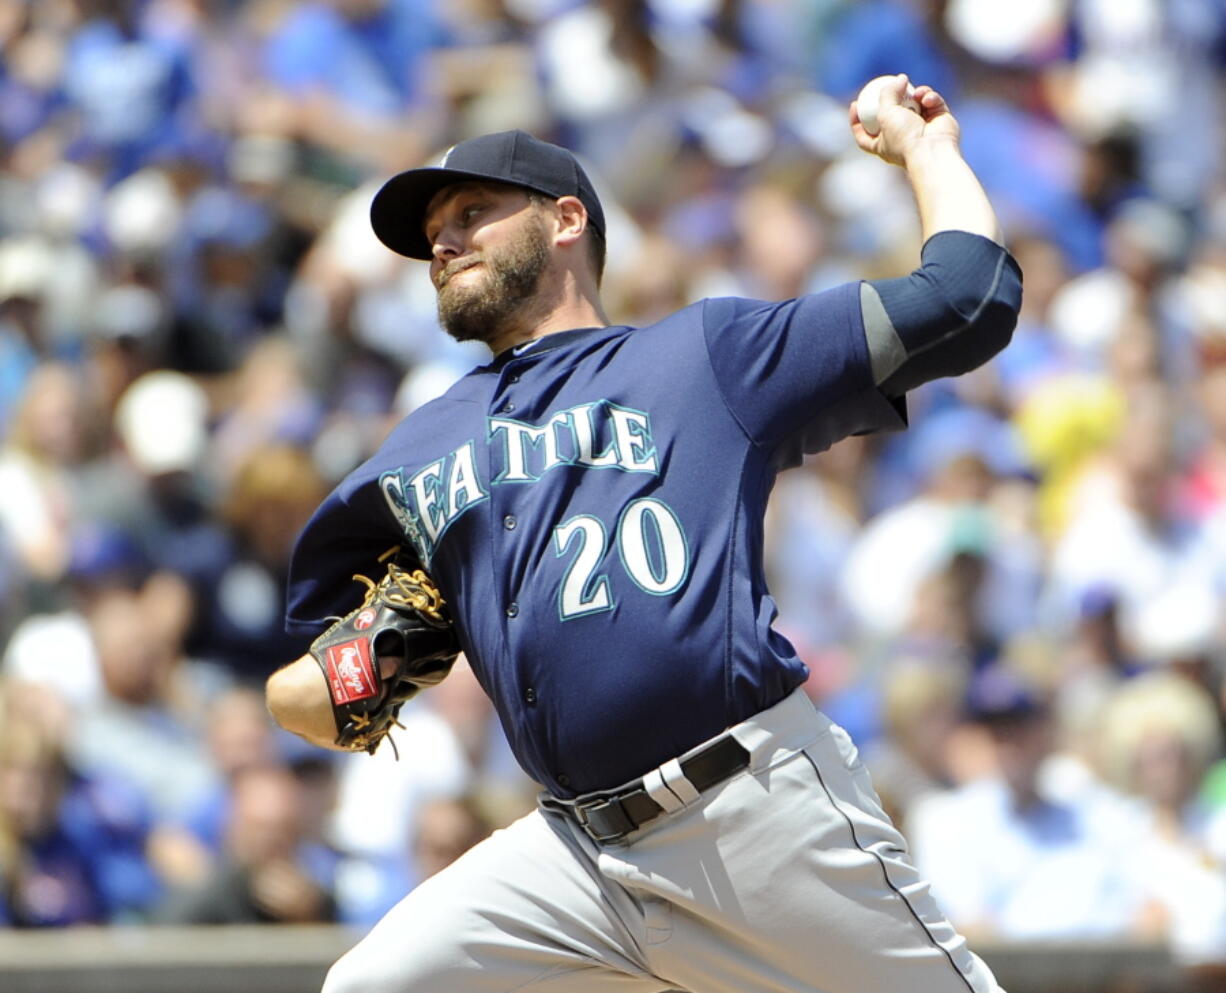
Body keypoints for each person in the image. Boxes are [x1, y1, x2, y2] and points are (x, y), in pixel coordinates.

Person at [266, 75, 1021, 993]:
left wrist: (925, 150)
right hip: (574, 858)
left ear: (568, 220)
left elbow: (969, 294)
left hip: (753, 818)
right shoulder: (421, 441)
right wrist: (358, 666)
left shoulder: (704, 356)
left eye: (472, 212)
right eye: (433, 238)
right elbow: (308, 687)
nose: (444, 243)